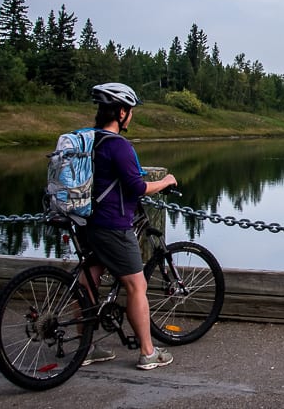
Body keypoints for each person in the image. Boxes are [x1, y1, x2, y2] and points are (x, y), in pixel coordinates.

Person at [80, 82, 179, 370]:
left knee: (88, 280)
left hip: (89, 222)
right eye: (130, 111)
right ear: (121, 112)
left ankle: (86, 347)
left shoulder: (91, 141)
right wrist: (166, 181)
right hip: (113, 224)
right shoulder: (118, 145)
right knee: (137, 285)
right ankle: (148, 353)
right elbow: (136, 187)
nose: (131, 116)